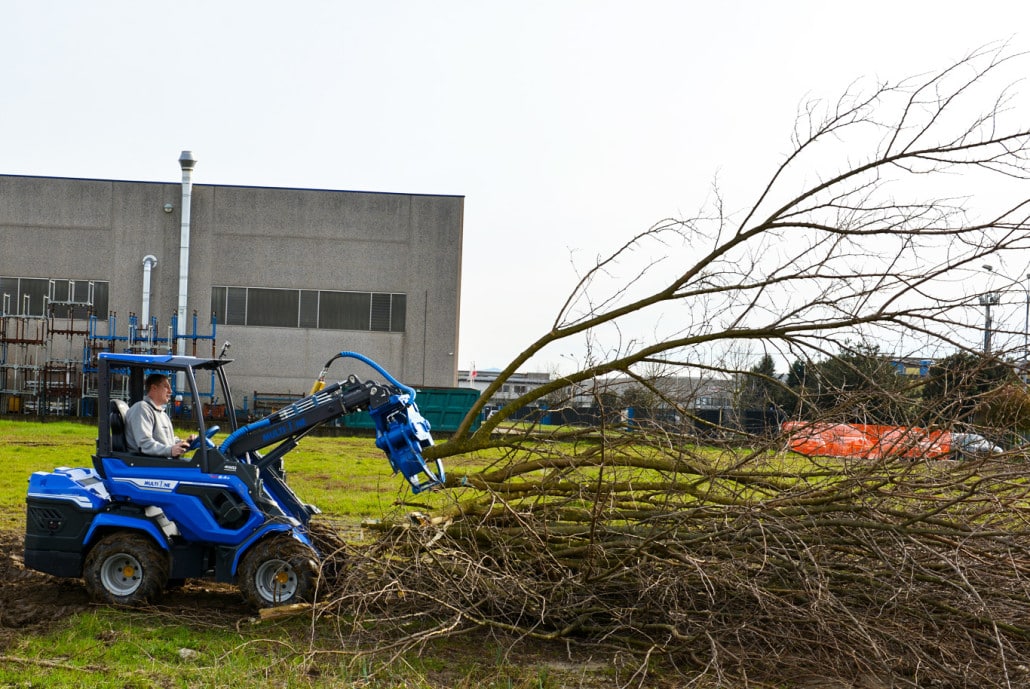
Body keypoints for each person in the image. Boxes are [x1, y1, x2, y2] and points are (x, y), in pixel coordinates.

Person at [124, 373, 196, 457]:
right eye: (166, 386)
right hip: (147, 465)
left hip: (161, 462)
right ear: (154, 388)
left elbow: (168, 440)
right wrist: (170, 450)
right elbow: (144, 444)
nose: (170, 391)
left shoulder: (161, 413)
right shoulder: (142, 409)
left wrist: (184, 442)